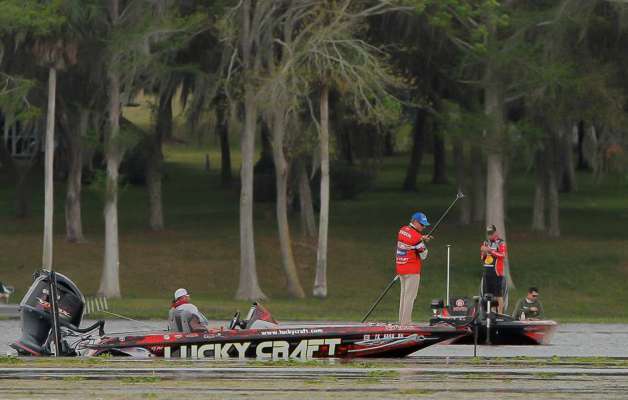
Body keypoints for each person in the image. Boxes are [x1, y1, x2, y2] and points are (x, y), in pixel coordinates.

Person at [396, 212, 433, 325]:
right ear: (415, 222)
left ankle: (401, 321)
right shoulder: (417, 238)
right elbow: (424, 255)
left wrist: (421, 238)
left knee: (403, 295)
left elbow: (411, 237)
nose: (424, 227)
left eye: (425, 225)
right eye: (422, 224)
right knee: (410, 297)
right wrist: (422, 241)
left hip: (401, 267)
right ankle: (406, 323)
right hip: (412, 270)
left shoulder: (402, 230)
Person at [480, 224, 507, 314]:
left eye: (491, 233)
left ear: (495, 232)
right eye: (488, 233)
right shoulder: (485, 242)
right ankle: (491, 313)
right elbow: (482, 258)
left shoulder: (501, 242)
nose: (490, 235)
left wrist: (490, 251)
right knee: (488, 295)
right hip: (487, 271)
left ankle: (500, 314)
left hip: (497, 272)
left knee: (498, 295)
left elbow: (502, 255)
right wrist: (483, 252)